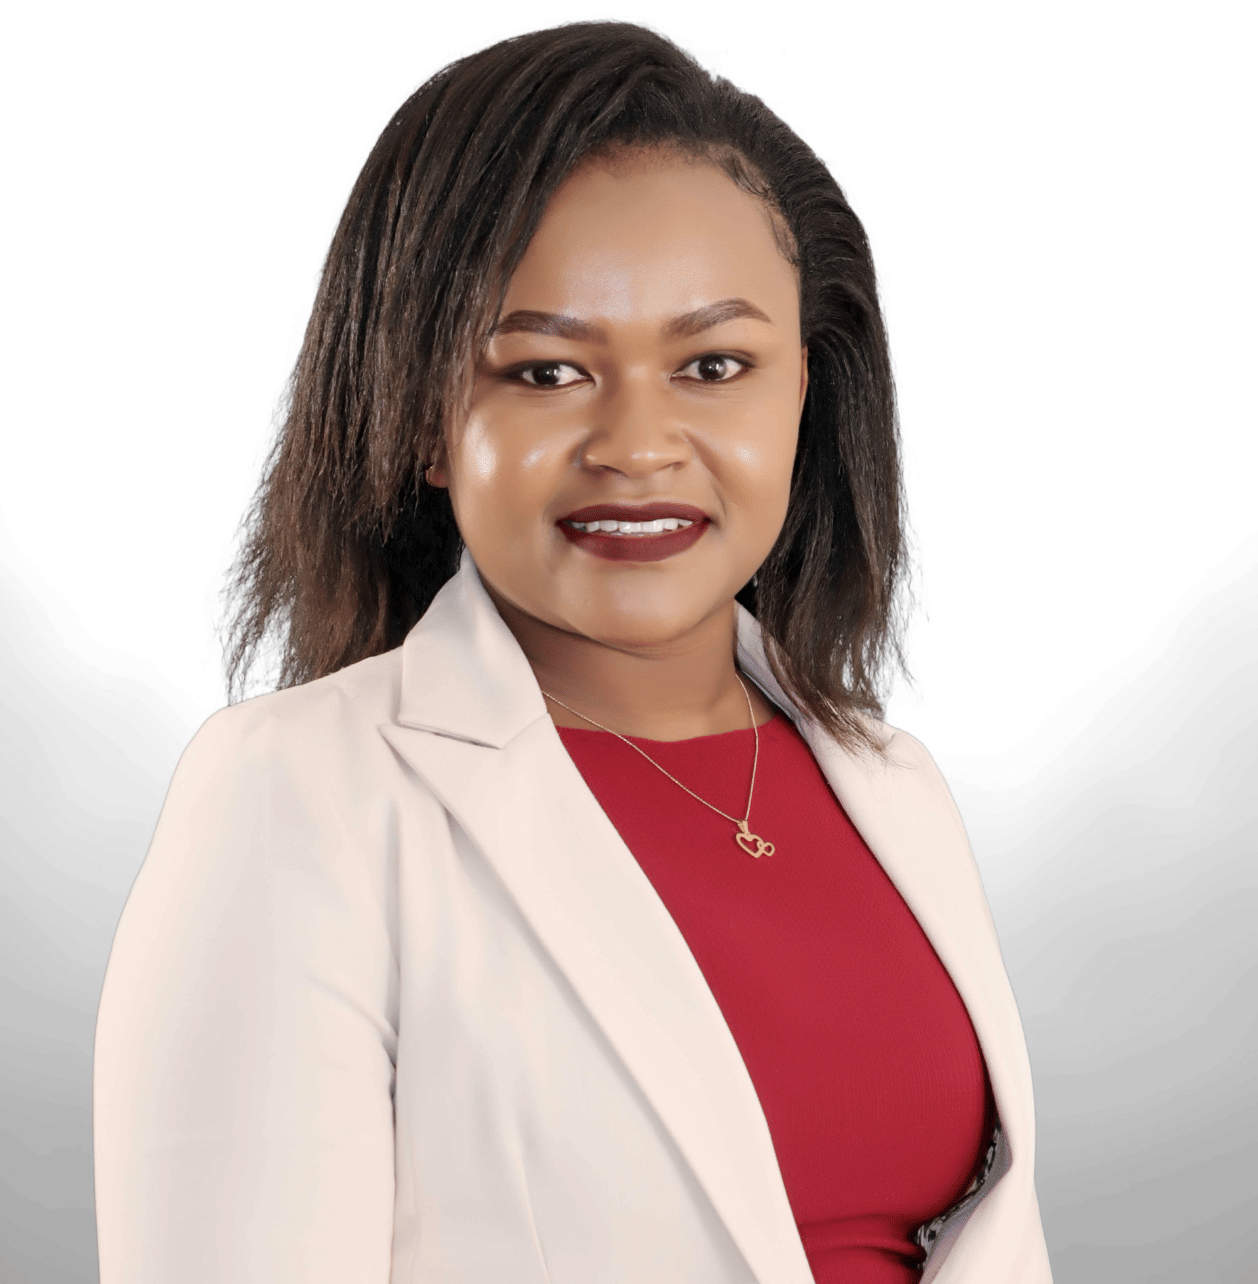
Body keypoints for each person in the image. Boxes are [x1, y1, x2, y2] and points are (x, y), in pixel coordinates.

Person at [93, 21, 1052, 1284]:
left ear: (804, 394)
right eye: (544, 372)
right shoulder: (296, 795)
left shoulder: (891, 781)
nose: (638, 446)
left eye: (714, 364)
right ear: (421, 418)